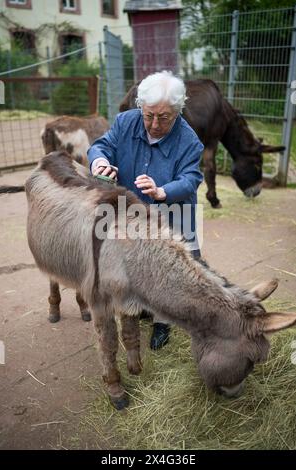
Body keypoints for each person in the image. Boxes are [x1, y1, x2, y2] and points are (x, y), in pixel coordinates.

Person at [87, 70, 204, 350]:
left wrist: (163, 191)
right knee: (133, 261)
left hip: (172, 214)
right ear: (141, 106)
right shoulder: (126, 122)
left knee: (168, 270)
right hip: (132, 211)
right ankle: (139, 305)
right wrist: (99, 162)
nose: (153, 123)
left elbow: (191, 179)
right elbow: (101, 146)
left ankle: (163, 321)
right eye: (149, 114)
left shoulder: (190, 141)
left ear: (176, 112)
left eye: (163, 117)